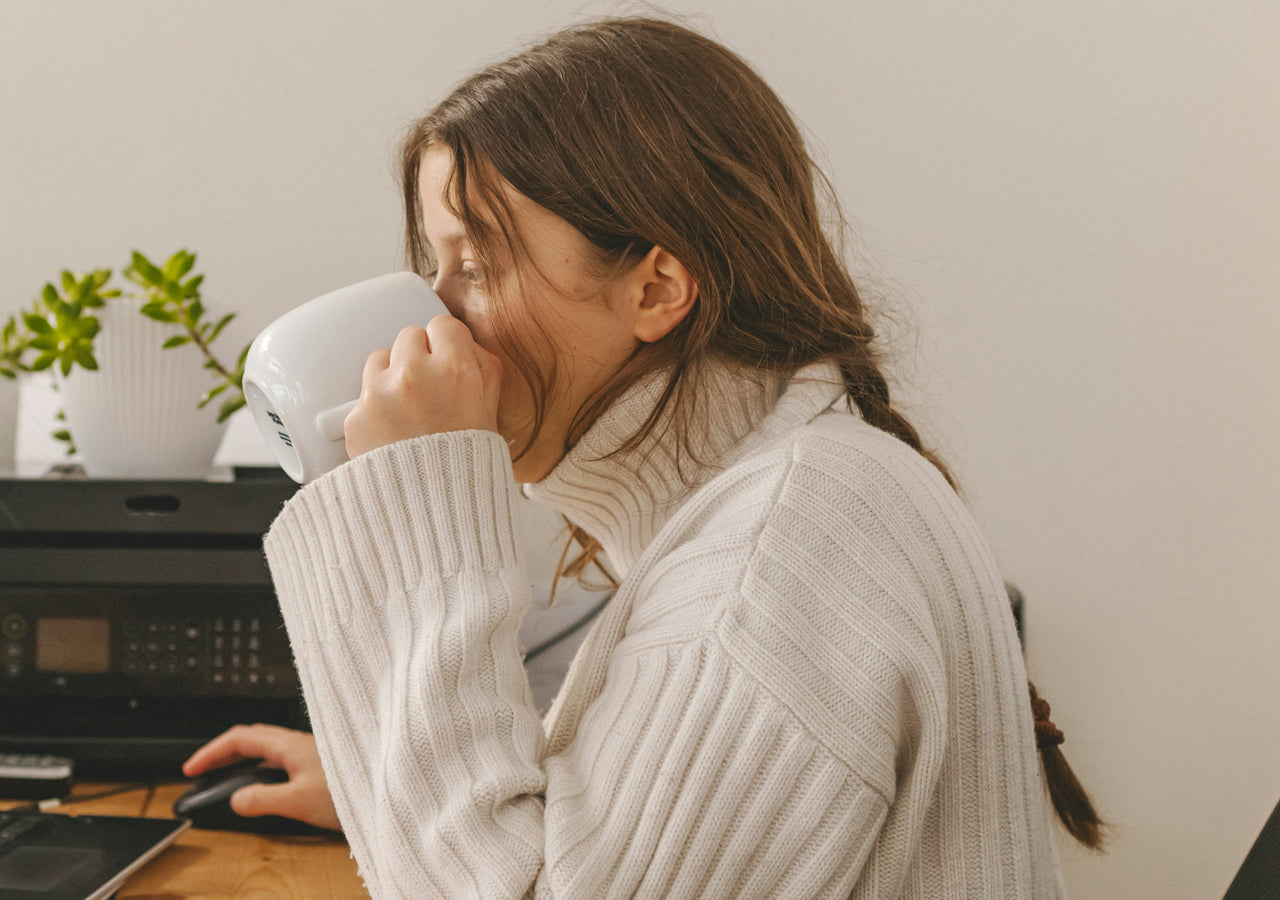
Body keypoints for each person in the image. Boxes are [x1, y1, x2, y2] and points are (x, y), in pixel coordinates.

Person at [184, 16, 1104, 898]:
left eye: (479, 265)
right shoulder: (795, 492)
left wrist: (409, 499)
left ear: (656, 289)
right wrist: (381, 788)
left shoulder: (773, 558)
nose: (435, 321)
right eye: (436, 267)